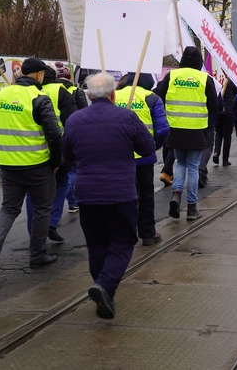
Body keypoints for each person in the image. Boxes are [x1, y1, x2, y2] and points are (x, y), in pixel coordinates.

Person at [62, 73, 154, 319]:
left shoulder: (75, 120)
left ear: (89, 96)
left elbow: (66, 155)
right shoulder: (127, 117)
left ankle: (105, 294)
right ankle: (105, 285)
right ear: (113, 94)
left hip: (88, 194)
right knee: (123, 242)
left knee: (97, 244)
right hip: (120, 193)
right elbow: (147, 148)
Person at [0, 58, 63, 283]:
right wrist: (56, 161)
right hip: (37, 164)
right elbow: (54, 134)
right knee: (42, 209)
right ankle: (37, 255)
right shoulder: (39, 98)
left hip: (8, 165)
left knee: (9, 208)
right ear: (38, 75)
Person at [155, 46, 218, 221]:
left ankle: (176, 194)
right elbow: (214, 106)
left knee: (180, 163)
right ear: (199, 61)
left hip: (175, 129)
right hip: (197, 129)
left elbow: (159, 99)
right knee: (193, 167)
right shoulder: (205, 78)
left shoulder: (171, 76)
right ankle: (191, 207)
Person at [25, 65, 81, 242]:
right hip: (60, 146)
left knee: (32, 191)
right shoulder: (61, 91)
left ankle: (33, 230)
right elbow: (72, 120)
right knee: (61, 183)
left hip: (33, 149)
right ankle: (51, 222)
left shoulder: (27, 92)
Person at [115, 73, 170, 246]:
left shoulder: (113, 95)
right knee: (146, 195)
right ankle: (147, 233)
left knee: (122, 195)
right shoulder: (151, 98)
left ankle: (124, 233)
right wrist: (154, 146)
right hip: (143, 158)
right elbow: (162, 129)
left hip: (118, 157)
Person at [53, 62, 87, 213]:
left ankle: (71, 201)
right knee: (73, 170)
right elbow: (84, 114)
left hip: (51, 137)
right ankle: (73, 201)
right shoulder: (75, 91)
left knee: (62, 172)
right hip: (71, 134)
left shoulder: (47, 90)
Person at [213, 79, 237, 167]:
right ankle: (225, 159)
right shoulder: (229, 82)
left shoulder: (215, 81)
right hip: (228, 112)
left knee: (218, 134)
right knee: (227, 136)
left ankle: (216, 152)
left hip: (218, 112)